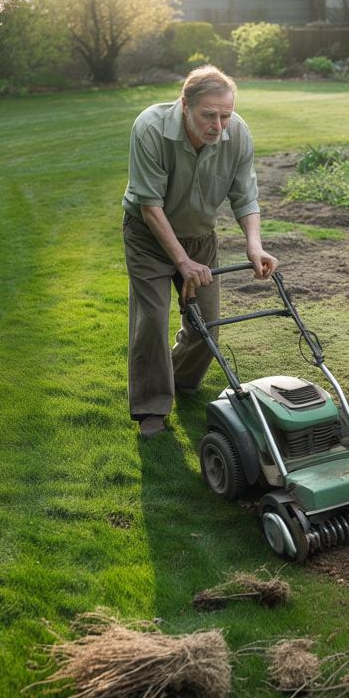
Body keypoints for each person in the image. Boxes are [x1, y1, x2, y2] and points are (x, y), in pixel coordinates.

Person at [122, 65, 278, 438]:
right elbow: (150, 206)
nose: (218, 125)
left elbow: (245, 196)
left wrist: (254, 246)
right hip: (148, 237)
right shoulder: (150, 128)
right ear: (185, 105)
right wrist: (182, 262)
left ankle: (179, 381)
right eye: (209, 115)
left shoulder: (237, 133)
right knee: (151, 320)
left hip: (200, 238)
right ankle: (151, 408)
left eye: (225, 115)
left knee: (206, 325)